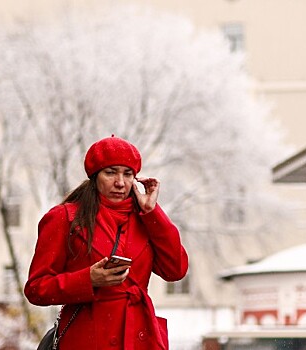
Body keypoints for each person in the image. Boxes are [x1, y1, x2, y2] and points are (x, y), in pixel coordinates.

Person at [24, 135, 188, 349]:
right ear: (95, 176)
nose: (120, 182)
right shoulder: (64, 218)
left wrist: (152, 212)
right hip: (87, 338)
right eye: (110, 173)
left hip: (139, 338)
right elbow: (36, 289)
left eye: (128, 174)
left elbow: (175, 270)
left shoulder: (145, 219)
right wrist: (87, 280)